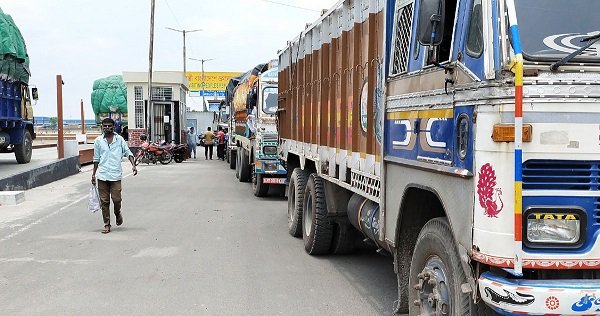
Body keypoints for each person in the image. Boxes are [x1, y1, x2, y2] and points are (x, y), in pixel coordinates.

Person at [92, 117, 137, 234]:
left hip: (115, 175)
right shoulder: (98, 141)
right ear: (102, 127)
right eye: (105, 126)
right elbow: (96, 158)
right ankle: (106, 224)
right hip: (102, 176)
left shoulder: (120, 140)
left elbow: (128, 152)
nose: (107, 128)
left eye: (109, 126)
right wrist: (93, 174)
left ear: (113, 127)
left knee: (117, 199)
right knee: (104, 201)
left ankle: (118, 213)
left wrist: (133, 165)